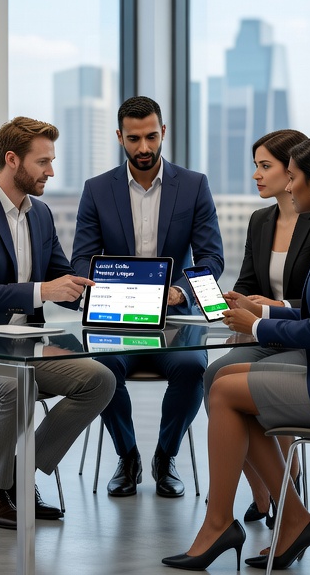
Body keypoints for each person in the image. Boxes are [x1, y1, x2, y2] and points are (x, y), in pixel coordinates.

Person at [164, 134, 310, 571]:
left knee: (223, 393)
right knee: (228, 388)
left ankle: (223, 523)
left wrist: (256, 324)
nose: (288, 188)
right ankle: (291, 518)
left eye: (292, 177)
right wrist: (257, 311)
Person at [0, 116, 117, 530]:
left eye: (52, 161)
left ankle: (15, 476)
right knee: (16, 386)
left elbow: (62, 278)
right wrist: (43, 292)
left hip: (25, 346)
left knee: (99, 380)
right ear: (12, 159)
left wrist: (117, 299)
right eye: (43, 162)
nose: (51, 172)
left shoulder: (41, 214)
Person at [71, 96, 224, 498]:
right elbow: (83, 260)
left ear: (163, 133)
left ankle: (165, 456)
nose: (144, 148)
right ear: (120, 137)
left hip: (174, 321)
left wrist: (180, 291)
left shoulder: (193, 186)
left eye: (151, 137)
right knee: (99, 370)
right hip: (116, 322)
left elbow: (212, 258)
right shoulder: (96, 190)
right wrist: (108, 292)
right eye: (134, 138)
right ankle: (128, 457)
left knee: (194, 367)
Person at [202, 129, 310, 527]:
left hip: (303, 339)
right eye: (255, 166)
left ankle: (286, 482)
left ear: (293, 170)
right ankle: (260, 490)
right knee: (215, 373)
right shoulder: (260, 220)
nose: (256, 174)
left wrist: (278, 307)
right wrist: (240, 301)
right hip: (265, 334)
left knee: (252, 380)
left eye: (265, 166)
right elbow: (250, 283)